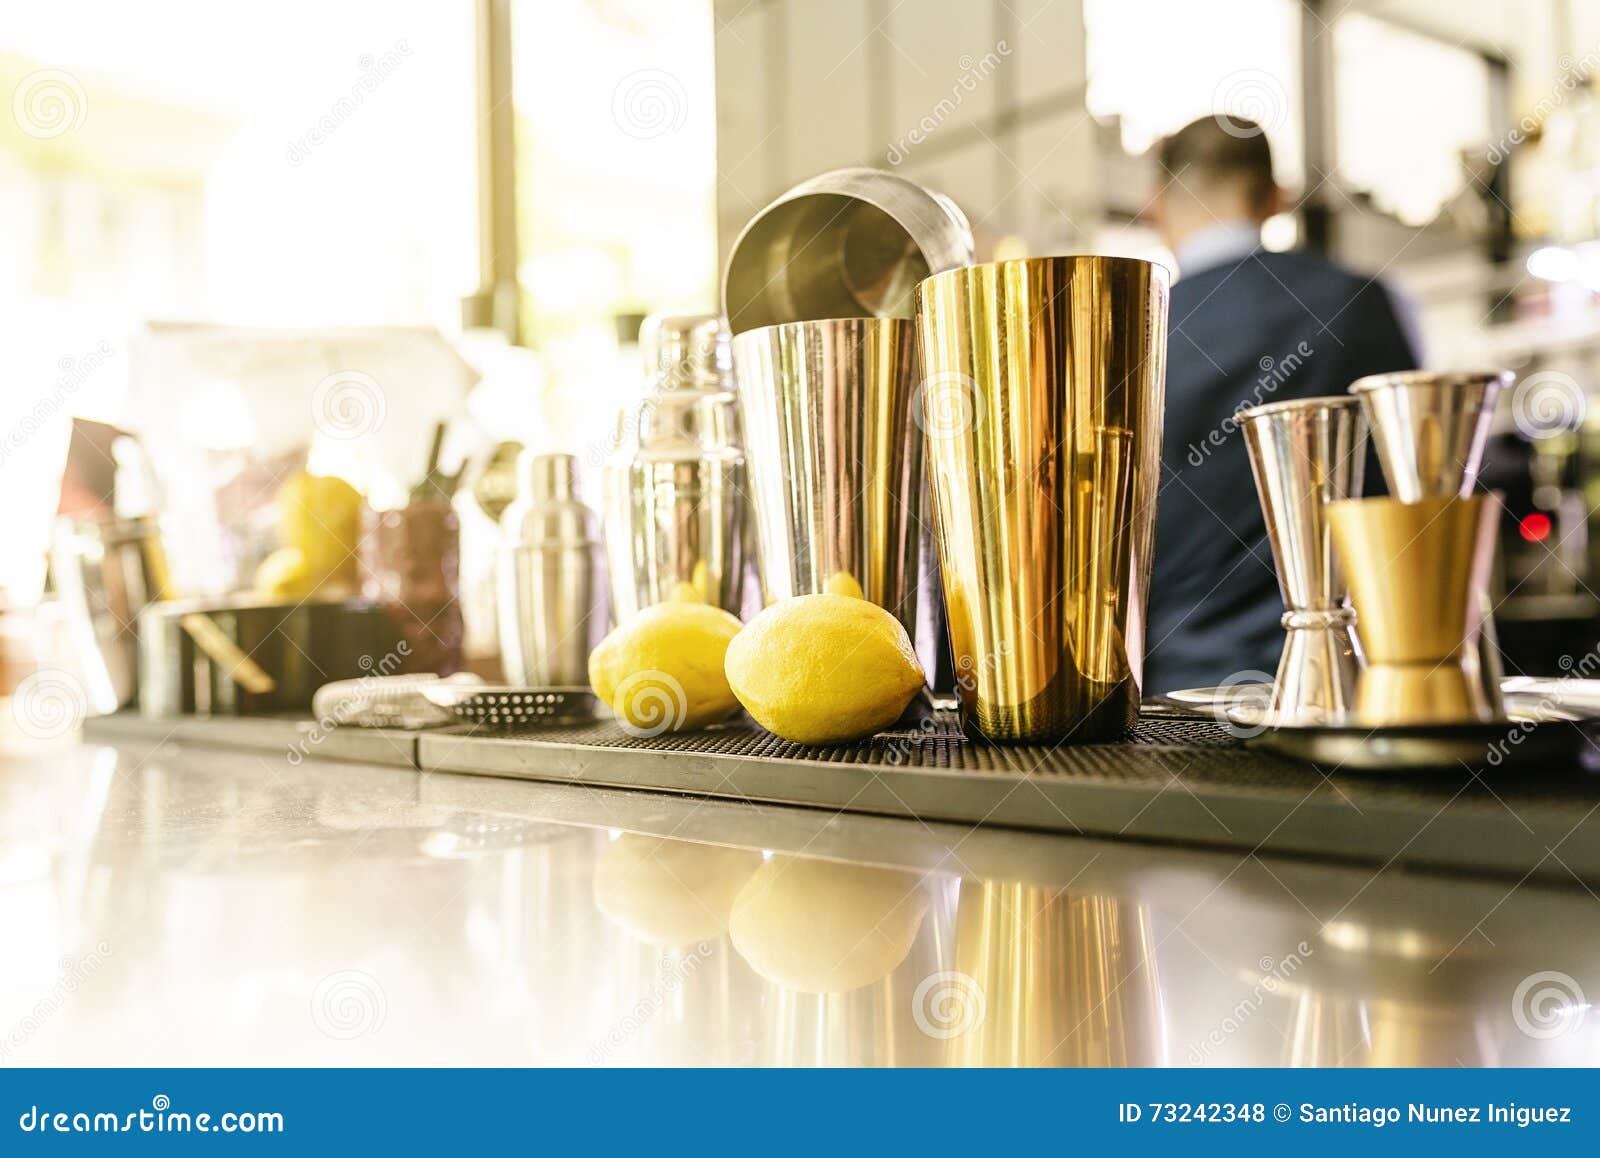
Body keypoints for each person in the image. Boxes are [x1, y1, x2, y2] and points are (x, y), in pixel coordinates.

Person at [1142, 116, 1420, 695]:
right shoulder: (1360, 303)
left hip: (1177, 694)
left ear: (1156, 206)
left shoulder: (1137, 333)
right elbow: (1418, 494)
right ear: (1278, 198)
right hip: (1355, 683)